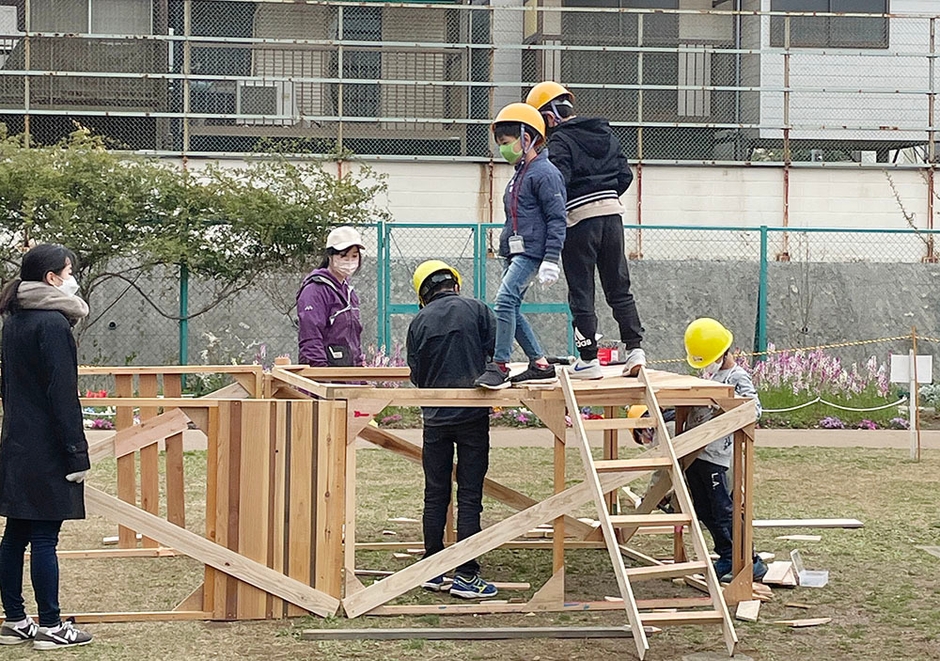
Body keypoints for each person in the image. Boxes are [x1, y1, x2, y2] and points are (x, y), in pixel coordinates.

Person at [0, 244, 93, 649]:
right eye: (69, 271)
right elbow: (62, 394)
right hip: (47, 446)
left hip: (17, 440)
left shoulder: (14, 321)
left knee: (15, 534)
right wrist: (76, 451)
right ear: (53, 278)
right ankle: (52, 627)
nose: (73, 278)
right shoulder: (53, 324)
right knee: (43, 538)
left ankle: (15, 619)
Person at [525, 81, 646, 380]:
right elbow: (624, 174)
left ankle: (589, 358)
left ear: (548, 118)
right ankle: (635, 350)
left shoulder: (559, 143)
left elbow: (557, 183)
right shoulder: (604, 132)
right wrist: (605, 193)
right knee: (619, 287)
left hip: (579, 220)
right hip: (612, 215)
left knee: (582, 291)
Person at [407, 260, 499, 598]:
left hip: (434, 420)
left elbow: (416, 374)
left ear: (423, 294)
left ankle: (432, 568)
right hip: (472, 417)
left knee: (435, 494)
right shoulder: (478, 310)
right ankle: (467, 575)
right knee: (470, 496)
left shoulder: (418, 322)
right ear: (455, 284)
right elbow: (495, 354)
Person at [474, 102, 567, 390]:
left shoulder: (545, 173)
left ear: (527, 138)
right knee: (511, 307)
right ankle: (539, 363)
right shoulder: (519, 174)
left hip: (531, 252)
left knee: (504, 301)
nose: (503, 149)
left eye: (506, 142)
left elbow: (557, 217)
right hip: (515, 251)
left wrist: (551, 257)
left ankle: (500, 364)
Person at [682, 317, 767, 583]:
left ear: (722, 353)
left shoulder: (737, 377)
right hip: (697, 453)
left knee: (723, 510)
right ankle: (726, 554)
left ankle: (747, 560)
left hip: (716, 456)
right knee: (704, 509)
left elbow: (753, 410)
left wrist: (724, 408)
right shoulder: (713, 377)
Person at [297, 226, 365, 367]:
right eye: (343, 256)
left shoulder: (349, 292)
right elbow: (311, 338)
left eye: (354, 256)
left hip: (349, 378)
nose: (349, 261)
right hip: (326, 378)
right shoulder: (315, 291)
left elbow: (355, 343)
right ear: (330, 257)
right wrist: (321, 377)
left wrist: (361, 378)